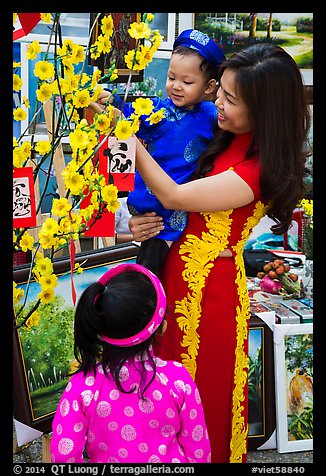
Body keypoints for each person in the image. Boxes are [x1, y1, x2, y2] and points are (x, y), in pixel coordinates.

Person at [127, 43, 311, 463]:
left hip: (211, 293)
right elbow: (171, 192)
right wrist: (137, 224)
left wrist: (130, 141)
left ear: (264, 111)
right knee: (162, 390)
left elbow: (174, 195)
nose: (218, 103)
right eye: (219, 92)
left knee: (203, 394)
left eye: (230, 99)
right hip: (171, 273)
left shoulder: (258, 168)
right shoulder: (220, 132)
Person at [50, 263, 211, 463]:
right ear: (161, 327)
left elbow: (63, 455)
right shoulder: (177, 379)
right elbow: (198, 451)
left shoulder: (83, 386)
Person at [94, 29, 225, 276]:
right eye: (171, 77)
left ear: (209, 87)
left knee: (163, 267)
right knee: (149, 265)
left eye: (187, 82)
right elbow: (126, 116)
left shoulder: (213, 117)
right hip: (150, 204)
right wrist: (109, 101)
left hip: (181, 208)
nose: (176, 87)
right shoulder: (156, 110)